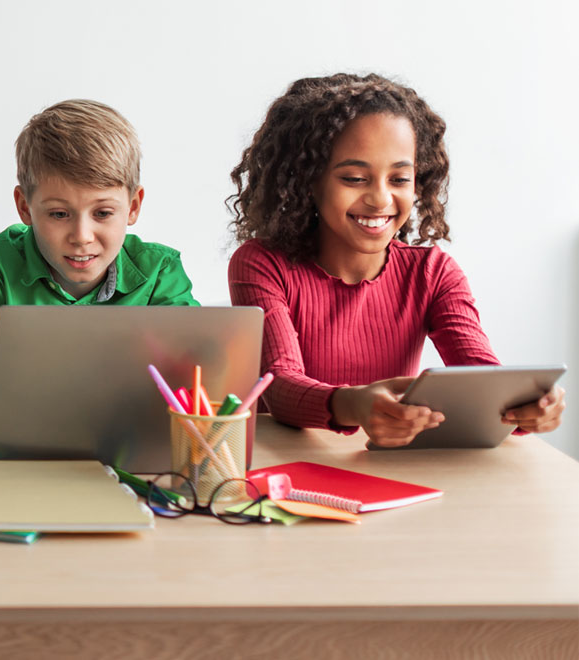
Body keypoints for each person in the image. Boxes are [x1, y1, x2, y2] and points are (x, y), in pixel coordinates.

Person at [227, 73, 565, 447]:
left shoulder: (434, 273)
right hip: (287, 470)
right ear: (308, 180)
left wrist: (524, 407)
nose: (380, 199)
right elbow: (279, 386)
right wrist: (354, 404)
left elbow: (482, 377)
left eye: (400, 179)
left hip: (389, 469)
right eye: (355, 178)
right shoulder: (261, 264)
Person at [0, 99, 198, 428]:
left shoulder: (161, 273)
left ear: (132, 207)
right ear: (25, 207)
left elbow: (200, 375)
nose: (82, 236)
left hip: (131, 451)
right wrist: (16, 412)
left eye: (102, 213)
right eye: (59, 214)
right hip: (13, 455)